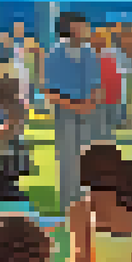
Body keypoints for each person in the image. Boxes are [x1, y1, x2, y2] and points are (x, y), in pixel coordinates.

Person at [43, 13, 101, 208]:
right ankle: (68, 204)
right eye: (81, 26)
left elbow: (95, 84)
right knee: (67, 157)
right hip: (65, 112)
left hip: (89, 112)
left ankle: (88, 202)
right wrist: (75, 106)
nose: (85, 29)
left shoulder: (89, 52)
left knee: (89, 157)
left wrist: (91, 104)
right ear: (71, 28)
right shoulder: (54, 54)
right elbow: (50, 92)